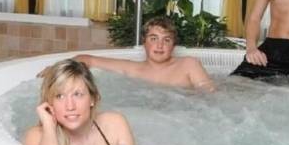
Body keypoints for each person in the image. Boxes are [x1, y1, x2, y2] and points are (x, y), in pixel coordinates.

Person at [24, 58, 135, 145]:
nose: (70, 106)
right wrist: (49, 126)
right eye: (60, 96)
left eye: (78, 94)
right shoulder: (37, 135)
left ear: (93, 98)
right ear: (50, 103)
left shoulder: (115, 124)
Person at [75, 16, 215, 91]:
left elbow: (210, 97)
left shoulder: (188, 65)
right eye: (153, 39)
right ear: (144, 42)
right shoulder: (134, 69)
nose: (160, 45)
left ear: (173, 45)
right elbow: (86, 59)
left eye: (166, 40)